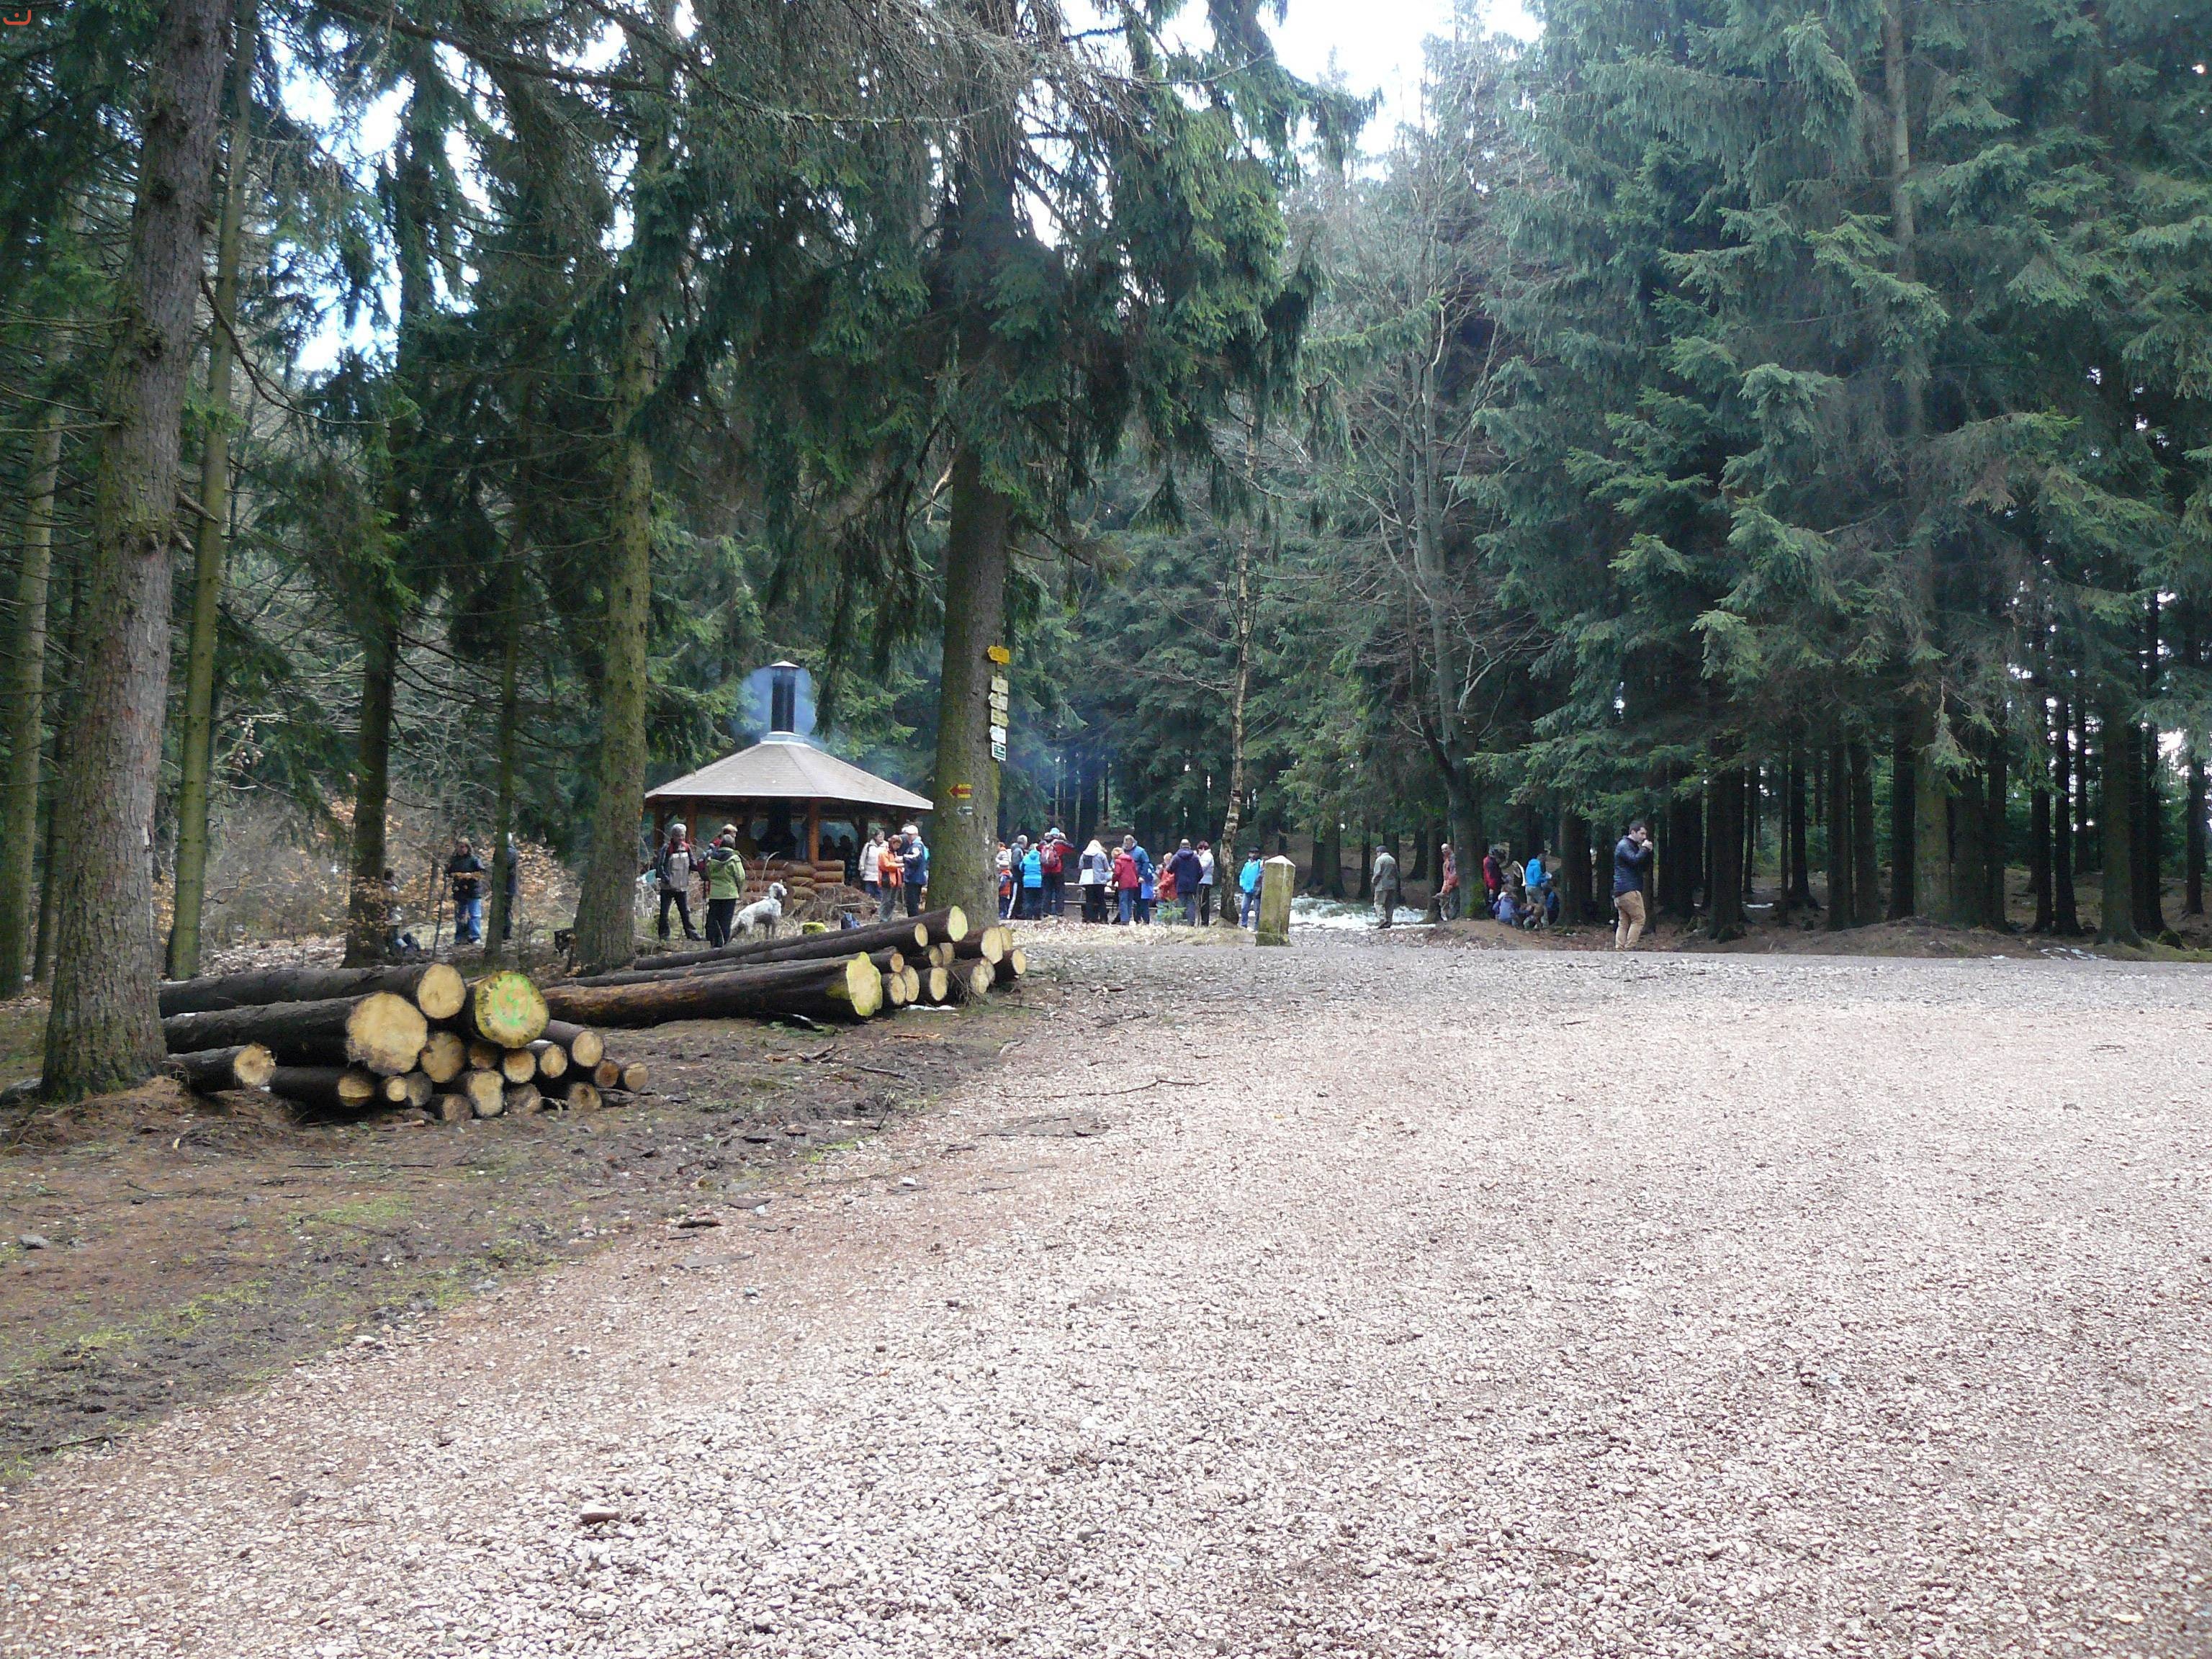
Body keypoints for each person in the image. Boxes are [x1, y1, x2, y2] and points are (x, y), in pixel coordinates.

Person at [653, 823, 702, 941]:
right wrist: (666, 879)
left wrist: (702, 867)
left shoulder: (687, 848)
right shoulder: (666, 848)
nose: (681, 838)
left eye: (682, 835)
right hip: (668, 887)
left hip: (682, 886)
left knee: (685, 912)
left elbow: (693, 864)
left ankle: (692, 934)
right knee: (664, 913)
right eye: (678, 836)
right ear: (673, 836)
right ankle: (664, 936)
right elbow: (659, 866)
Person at [703, 827, 747, 947]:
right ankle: (723, 944)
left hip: (715, 894)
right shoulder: (734, 858)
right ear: (733, 845)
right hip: (729, 894)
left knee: (714, 919)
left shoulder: (712, 857)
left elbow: (708, 873)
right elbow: (741, 876)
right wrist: (738, 888)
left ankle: (713, 943)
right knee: (726, 921)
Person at [1614, 819, 1654, 950]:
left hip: (1620, 889)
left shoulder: (1630, 846)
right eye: (1642, 834)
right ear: (1633, 832)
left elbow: (1643, 866)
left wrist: (1648, 852)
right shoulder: (1624, 845)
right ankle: (1630, 947)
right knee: (1639, 919)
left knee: (1624, 922)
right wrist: (1644, 849)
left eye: (1645, 834)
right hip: (1629, 889)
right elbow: (1634, 860)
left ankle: (1620, 947)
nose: (1644, 837)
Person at [446, 837, 487, 944]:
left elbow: (482, 873)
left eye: (463, 847)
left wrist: (470, 875)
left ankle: (475, 937)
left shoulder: (474, 860)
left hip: (473, 890)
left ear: (468, 848)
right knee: (460, 915)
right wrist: (455, 875)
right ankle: (460, 937)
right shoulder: (454, 860)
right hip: (459, 891)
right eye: (459, 847)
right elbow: (448, 873)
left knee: (475, 915)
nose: (461, 849)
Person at [1168, 840, 1205, 926]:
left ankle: (1181, 923)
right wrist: (1195, 880)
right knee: (1191, 903)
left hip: (1180, 884)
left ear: (1180, 846)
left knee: (1181, 903)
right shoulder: (1195, 857)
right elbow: (1201, 873)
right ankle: (1191, 923)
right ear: (1190, 846)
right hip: (1192, 885)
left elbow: (1169, 870)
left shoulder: (1176, 857)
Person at [1078, 837, 1109, 922]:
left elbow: (1081, 866)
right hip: (1099, 880)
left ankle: (1089, 918)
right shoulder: (1101, 854)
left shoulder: (1084, 855)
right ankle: (1103, 919)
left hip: (1088, 880)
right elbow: (1106, 867)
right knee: (1101, 900)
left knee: (1089, 900)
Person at [900, 824, 928, 917]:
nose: (908, 837)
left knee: (912, 903)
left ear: (916, 834)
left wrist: (903, 858)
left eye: (910, 835)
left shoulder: (916, 845)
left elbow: (916, 858)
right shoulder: (915, 845)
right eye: (907, 834)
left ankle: (913, 921)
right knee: (912, 902)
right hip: (915, 878)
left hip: (914, 879)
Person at [1112, 837, 1141, 925]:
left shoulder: (1118, 861)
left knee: (1123, 901)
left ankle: (1124, 920)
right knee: (1129, 901)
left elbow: (1117, 873)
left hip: (1124, 883)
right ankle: (1128, 918)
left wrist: (1113, 881)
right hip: (1133, 883)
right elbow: (1135, 871)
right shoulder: (1131, 860)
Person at [877, 831, 904, 921]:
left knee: (892, 902)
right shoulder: (883, 853)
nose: (898, 847)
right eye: (897, 845)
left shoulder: (894, 854)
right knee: (886, 901)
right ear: (892, 843)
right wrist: (899, 865)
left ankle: (888, 918)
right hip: (887, 880)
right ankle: (883, 919)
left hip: (895, 881)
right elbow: (886, 865)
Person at [1372, 842, 1400, 929]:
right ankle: (1389, 921)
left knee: (1378, 903)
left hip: (1382, 885)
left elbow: (1377, 874)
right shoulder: (1392, 860)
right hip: (1392, 885)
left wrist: (1374, 882)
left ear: (1379, 852)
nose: (1377, 854)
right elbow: (1396, 873)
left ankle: (1382, 920)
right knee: (1390, 905)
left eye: (1377, 853)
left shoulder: (1380, 860)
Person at [1040, 829, 1067, 917]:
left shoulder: (1043, 845)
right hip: (1058, 871)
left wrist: (1045, 839)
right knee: (1059, 891)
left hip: (1046, 871)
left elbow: (1037, 848)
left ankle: (1046, 912)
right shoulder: (1060, 845)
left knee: (1047, 891)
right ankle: (1059, 911)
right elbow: (1072, 848)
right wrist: (1063, 839)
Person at [1132, 837, 1156, 924]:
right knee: (1137, 902)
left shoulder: (1141, 852)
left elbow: (1150, 875)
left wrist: (1142, 876)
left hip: (1143, 886)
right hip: (1137, 883)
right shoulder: (1125, 850)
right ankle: (1138, 919)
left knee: (1143, 903)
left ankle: (1145, 920)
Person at [860, 829, 884, 912]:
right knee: (869, 893)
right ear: (875, 837)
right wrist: (862, 869)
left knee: (880, 893)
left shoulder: (886, 846)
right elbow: (863, 858)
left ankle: (879, 910)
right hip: (869, 874)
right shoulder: (868, 846)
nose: (881, 838)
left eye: (883, 836)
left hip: (881, 875)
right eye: (880, 836)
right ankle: (869, 910)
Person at [1020, 837, 1044, 917]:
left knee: (1028, 900)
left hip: (1027, 882)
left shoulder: (1026, 858)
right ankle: (1037, 916)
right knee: (1039, 899)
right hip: (1039, 881)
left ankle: (1028, 916)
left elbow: (1021, 868)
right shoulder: (1041, 857)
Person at [1238, 848, 1264, 927]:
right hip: (1247, 890)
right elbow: (1242, 876)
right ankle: (1244, 925)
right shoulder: (1247, 865)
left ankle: (1257, 926)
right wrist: (1242, 885)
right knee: (1244, 908)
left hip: (1257, 891)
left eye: (1256, 853)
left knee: (1257, 910)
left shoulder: (1260, 864)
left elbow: (1262, 876)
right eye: (1252, 853)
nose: (1254, 854)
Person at [1195, 840, 1215, 925]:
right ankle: (1203, 921)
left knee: (1204, 902)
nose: (1199, 852)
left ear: (1203, 848)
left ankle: (1204, 922)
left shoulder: (1207, 856)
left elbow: (1202, 868)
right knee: (1202, 902)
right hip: (1203, 881)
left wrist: (1196, 859)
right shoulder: (1205, 856)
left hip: (1205, 881)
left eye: (1199, 850)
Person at [1439, 842, 1460, 921]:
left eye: (1446, 849)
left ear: (1450, 849)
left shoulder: (1453, 859)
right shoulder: (1447, 860)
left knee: (1453, 903)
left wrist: (1450, 885)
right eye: (1443, 850)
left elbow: (1454, 873)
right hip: (1448, 885)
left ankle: (1453, 920)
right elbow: (1446, 876)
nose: (1444, 851)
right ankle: (1450, 919)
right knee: (1445, 903)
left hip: (1454, 885)